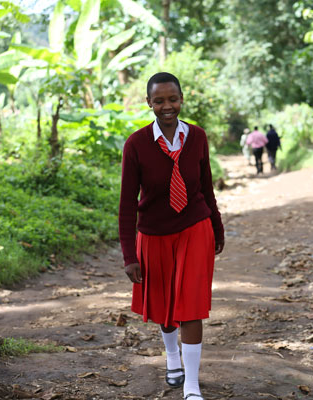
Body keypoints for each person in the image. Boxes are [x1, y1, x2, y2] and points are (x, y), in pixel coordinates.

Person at [119, 72, 224, 400]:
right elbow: (126, 204)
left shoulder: (197, 137)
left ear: (181, 99)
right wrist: (128, 255)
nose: (167, 106)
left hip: (195, 229)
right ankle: (172, 358)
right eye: (159, 100)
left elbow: (206, 187)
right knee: (165, 309)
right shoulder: (136, 144)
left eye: (173, 99)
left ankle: (191, 386)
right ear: (148, 102)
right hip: (153, 235)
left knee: (190, 306)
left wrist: (217, 228)